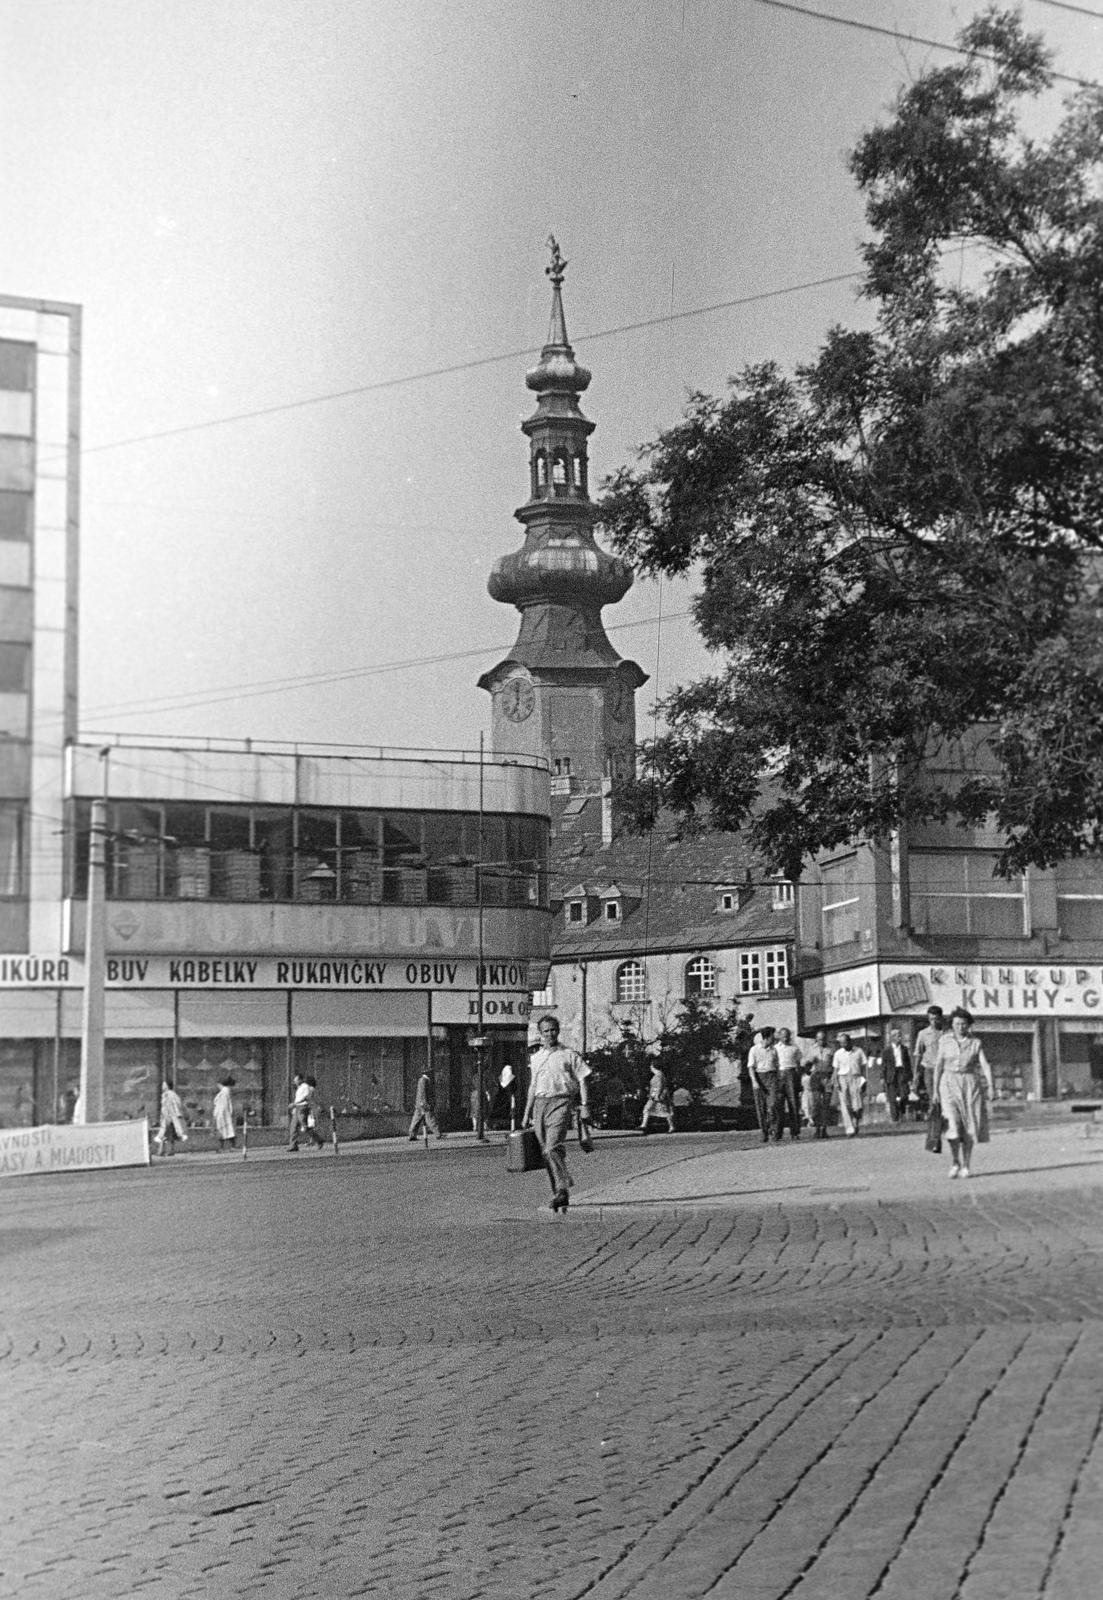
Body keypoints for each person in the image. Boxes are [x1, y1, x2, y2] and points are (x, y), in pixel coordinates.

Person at [522, 1015, 591, 1213]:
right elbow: (533, 1086)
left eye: (553, 1030)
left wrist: (585, 1105)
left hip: (561, 1102)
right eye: (546, 1031)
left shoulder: (569, 1054)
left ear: (558, 1031)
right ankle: (559, 1194)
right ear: (540, 1033)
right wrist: (526, 1113)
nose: (550, 1034)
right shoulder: (536, 1058)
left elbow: (583, 1079)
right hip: (540, 1105)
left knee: (553, 1147)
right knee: (546, 1151)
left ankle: (563, 1186)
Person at [932, 1006, 994, 1179]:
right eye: (957, 1024)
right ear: (952, 1024)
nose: (960, 1027)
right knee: (952, 1125)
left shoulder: (976, 1043)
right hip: (948, 1084)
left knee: (969, 1126)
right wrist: (935, 1091)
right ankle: (954, 1161)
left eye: (964, 1024)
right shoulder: (944, 1040)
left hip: (970, 1086)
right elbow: (938, 1067)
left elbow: (985, 1065)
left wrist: (991, 1086)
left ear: (969, 1025)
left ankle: (966, 1164)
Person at [747, 1028, 780, 1143]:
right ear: (767, 1037)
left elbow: (777, 1065)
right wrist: (754, 1082)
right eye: (772, 1036)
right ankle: (764, 1132)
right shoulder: (754, 1050)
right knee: (761, 1108)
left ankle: (773, 1131)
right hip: (759, 1077)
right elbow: (751, 1067)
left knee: (773, 1105)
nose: (774, 1039)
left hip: (771, 1077)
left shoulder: (774, 1050)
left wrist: (777, 1079)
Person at [831, 1033, 868, 1137]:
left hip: (855, 1078)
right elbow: (835, 1069)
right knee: (845, 1104)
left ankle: (856, 1120)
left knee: (857, 1105)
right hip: (842, 1078)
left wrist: (864, 1080)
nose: (843, 1045)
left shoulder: (859, 1051)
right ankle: (849, 1128)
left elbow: (864, 1067)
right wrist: (835, 1081)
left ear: (850, 1041)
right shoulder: (838, 1053)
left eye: (845, 1042)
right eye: (841, 1043)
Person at [801, 1029, 833, 1139]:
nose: (821, 1041)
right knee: (816, 1104)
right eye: (819, 1039)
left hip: (827, 1077)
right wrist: (809, 1062)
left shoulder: (830, 1049)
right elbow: (805, 1065)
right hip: (816, 1077)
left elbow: (834, 1064)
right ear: (816, 1039)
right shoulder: (811, 1049)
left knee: (826, 1104)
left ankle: (824, 1129)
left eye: (823, 1039)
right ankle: (817, 1129)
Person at [913, 1006, 945, 1106]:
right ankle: (936, 1119)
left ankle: (946, 1120)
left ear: (940, 1018)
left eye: (936, 1019)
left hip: (945, 1070)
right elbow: (918, 1054)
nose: (934, 1022)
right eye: (931, 1019)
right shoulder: (923, 1034)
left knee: (945, 1097)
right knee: (933, 1097)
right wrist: (915, 1074)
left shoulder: (946, 1033)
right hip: (930, 1069)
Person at [879, 1027, 912, 1123]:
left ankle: (901, 1113)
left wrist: (910, 1077)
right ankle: (895, 1119)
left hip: (902, 1072)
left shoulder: (904, 1049)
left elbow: (908, 1063)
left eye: (900, 1035)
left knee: (904, 1094)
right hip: (891, 1074)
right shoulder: (887, 1050)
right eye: (898, 1036)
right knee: (892, 1097)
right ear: (893, 1037)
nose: (900, 1038)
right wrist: (882, 1076)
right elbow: (883, 1064)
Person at [775, 1027, 803, 1140]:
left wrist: (799, 1080)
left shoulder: (794, 1048)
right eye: (783, 1035)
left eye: (787, 1035)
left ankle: (795, 1132)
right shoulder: (775, 1048)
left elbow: (798, 1064)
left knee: (794, 1105)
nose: (785, 1037)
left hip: (792, 1075)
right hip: (780, 1075)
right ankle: (777, 1133)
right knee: (779, 1105)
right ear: (780, 1036)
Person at [288, 1073, 325, 1151]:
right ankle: (293, 1145)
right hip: (297, 1108)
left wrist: (294, 1104)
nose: (295, 1081)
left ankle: (318, 1140)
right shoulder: (299, 1088)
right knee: (293, 1127)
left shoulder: (306, 1087)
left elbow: (305, 1098)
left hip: (303, 1108)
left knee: (305, 1127)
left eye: (296, 1080)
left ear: (300, 1080)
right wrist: (295, 1106)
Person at [153, 1079, 188, 1156]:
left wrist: (174, 1115)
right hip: (169, 1118)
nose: (162, 1086)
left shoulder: (169, 1095)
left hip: (169, 1118)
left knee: (167, 1135)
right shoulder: (168, 1094)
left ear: (167, 1086)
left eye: (164, 1084)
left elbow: (173, 1106)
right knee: (168, 1135)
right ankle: (166, 1150)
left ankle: (165, 1150)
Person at [408, 1069, 444, 1141]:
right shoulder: (424, 1080)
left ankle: (412, 1135)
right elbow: (423, 1093)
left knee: (416, 1120)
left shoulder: (423, 1080)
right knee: (430, 1119)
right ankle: (438, 1134)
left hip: (420, 1104)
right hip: (423, 1104)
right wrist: (425, 1104)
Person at [640, 1062, 675, 1133]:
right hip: (655, 1094)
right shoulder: (659, 1075)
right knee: (648, 1109)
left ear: (654, 1067)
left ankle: (671, 1126)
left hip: (657, 1095)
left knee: (662, 1110)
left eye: (651, 1066)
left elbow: (660, 1085)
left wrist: (657, 1095)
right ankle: (643, 1125)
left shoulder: (659, 1075)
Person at [212, 1074, 236, 1151]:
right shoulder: (225, 1091)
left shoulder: (225, 1091)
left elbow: (224, 1103)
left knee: (225, 1130)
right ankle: (225, 1147)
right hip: (223, 1113)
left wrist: (217, 1114)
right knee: (226, 1130)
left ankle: (227, 1147)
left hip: (223, 1114)